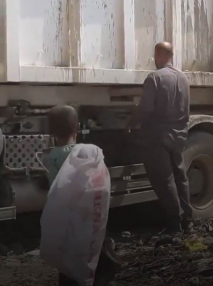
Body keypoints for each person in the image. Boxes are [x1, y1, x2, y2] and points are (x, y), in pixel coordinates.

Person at [44, 106, 120, 286]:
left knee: (70, 261)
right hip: (90, 214)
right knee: (96, 246)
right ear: (77, 127)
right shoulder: (89, 153)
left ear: (51, 132)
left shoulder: (52, 157)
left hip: (68, 219)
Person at [129, 42, 192, 234]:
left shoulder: (154, 78)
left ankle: (174, 225)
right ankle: (187, 221)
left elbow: (146, 109)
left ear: (158, 55)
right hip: (179, 134)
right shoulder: (183, 78)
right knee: (180, 177)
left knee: (164, 181)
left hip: (158, 136)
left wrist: (131, 123)